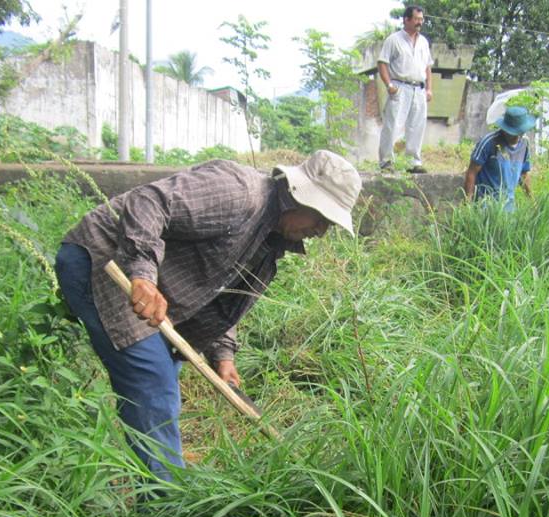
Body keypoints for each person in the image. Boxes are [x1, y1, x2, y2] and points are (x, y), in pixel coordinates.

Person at [55, 150, 362, 481]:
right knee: (155, 387)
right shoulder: (237, 192)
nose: (320, 232)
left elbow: (220, 294)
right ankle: (164, 509)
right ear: (299, 195)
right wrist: (142, 273)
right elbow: (148, 202)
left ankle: (162, 478)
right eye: (320, 219)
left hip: (155, 291)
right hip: (104, 261)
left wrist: (223, 355)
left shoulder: (269, 242)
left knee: (162, 383)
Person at [377, 4, 434, 174]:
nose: (419, 23)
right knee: (393, 124)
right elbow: (382, 63)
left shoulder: (423, 41)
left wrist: (429, 89)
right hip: (400, 86)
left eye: (421, 19)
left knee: (417, 126)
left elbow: (428, 67)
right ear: (406, 19)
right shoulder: (393, 40)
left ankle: (413, 162)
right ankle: (387, 162)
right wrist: (389, 85)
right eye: (416, 19)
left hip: (419, 88)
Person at [464, 106, 536, 211]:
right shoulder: (489, 142)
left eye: (519, 133)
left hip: (509, 209)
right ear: (504, 129)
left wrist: (532, 202)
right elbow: (471, 172)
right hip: (485, 207)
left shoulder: (524, 144)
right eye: (512, 133)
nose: (515, 137)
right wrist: (468, 204)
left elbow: (523, 174)